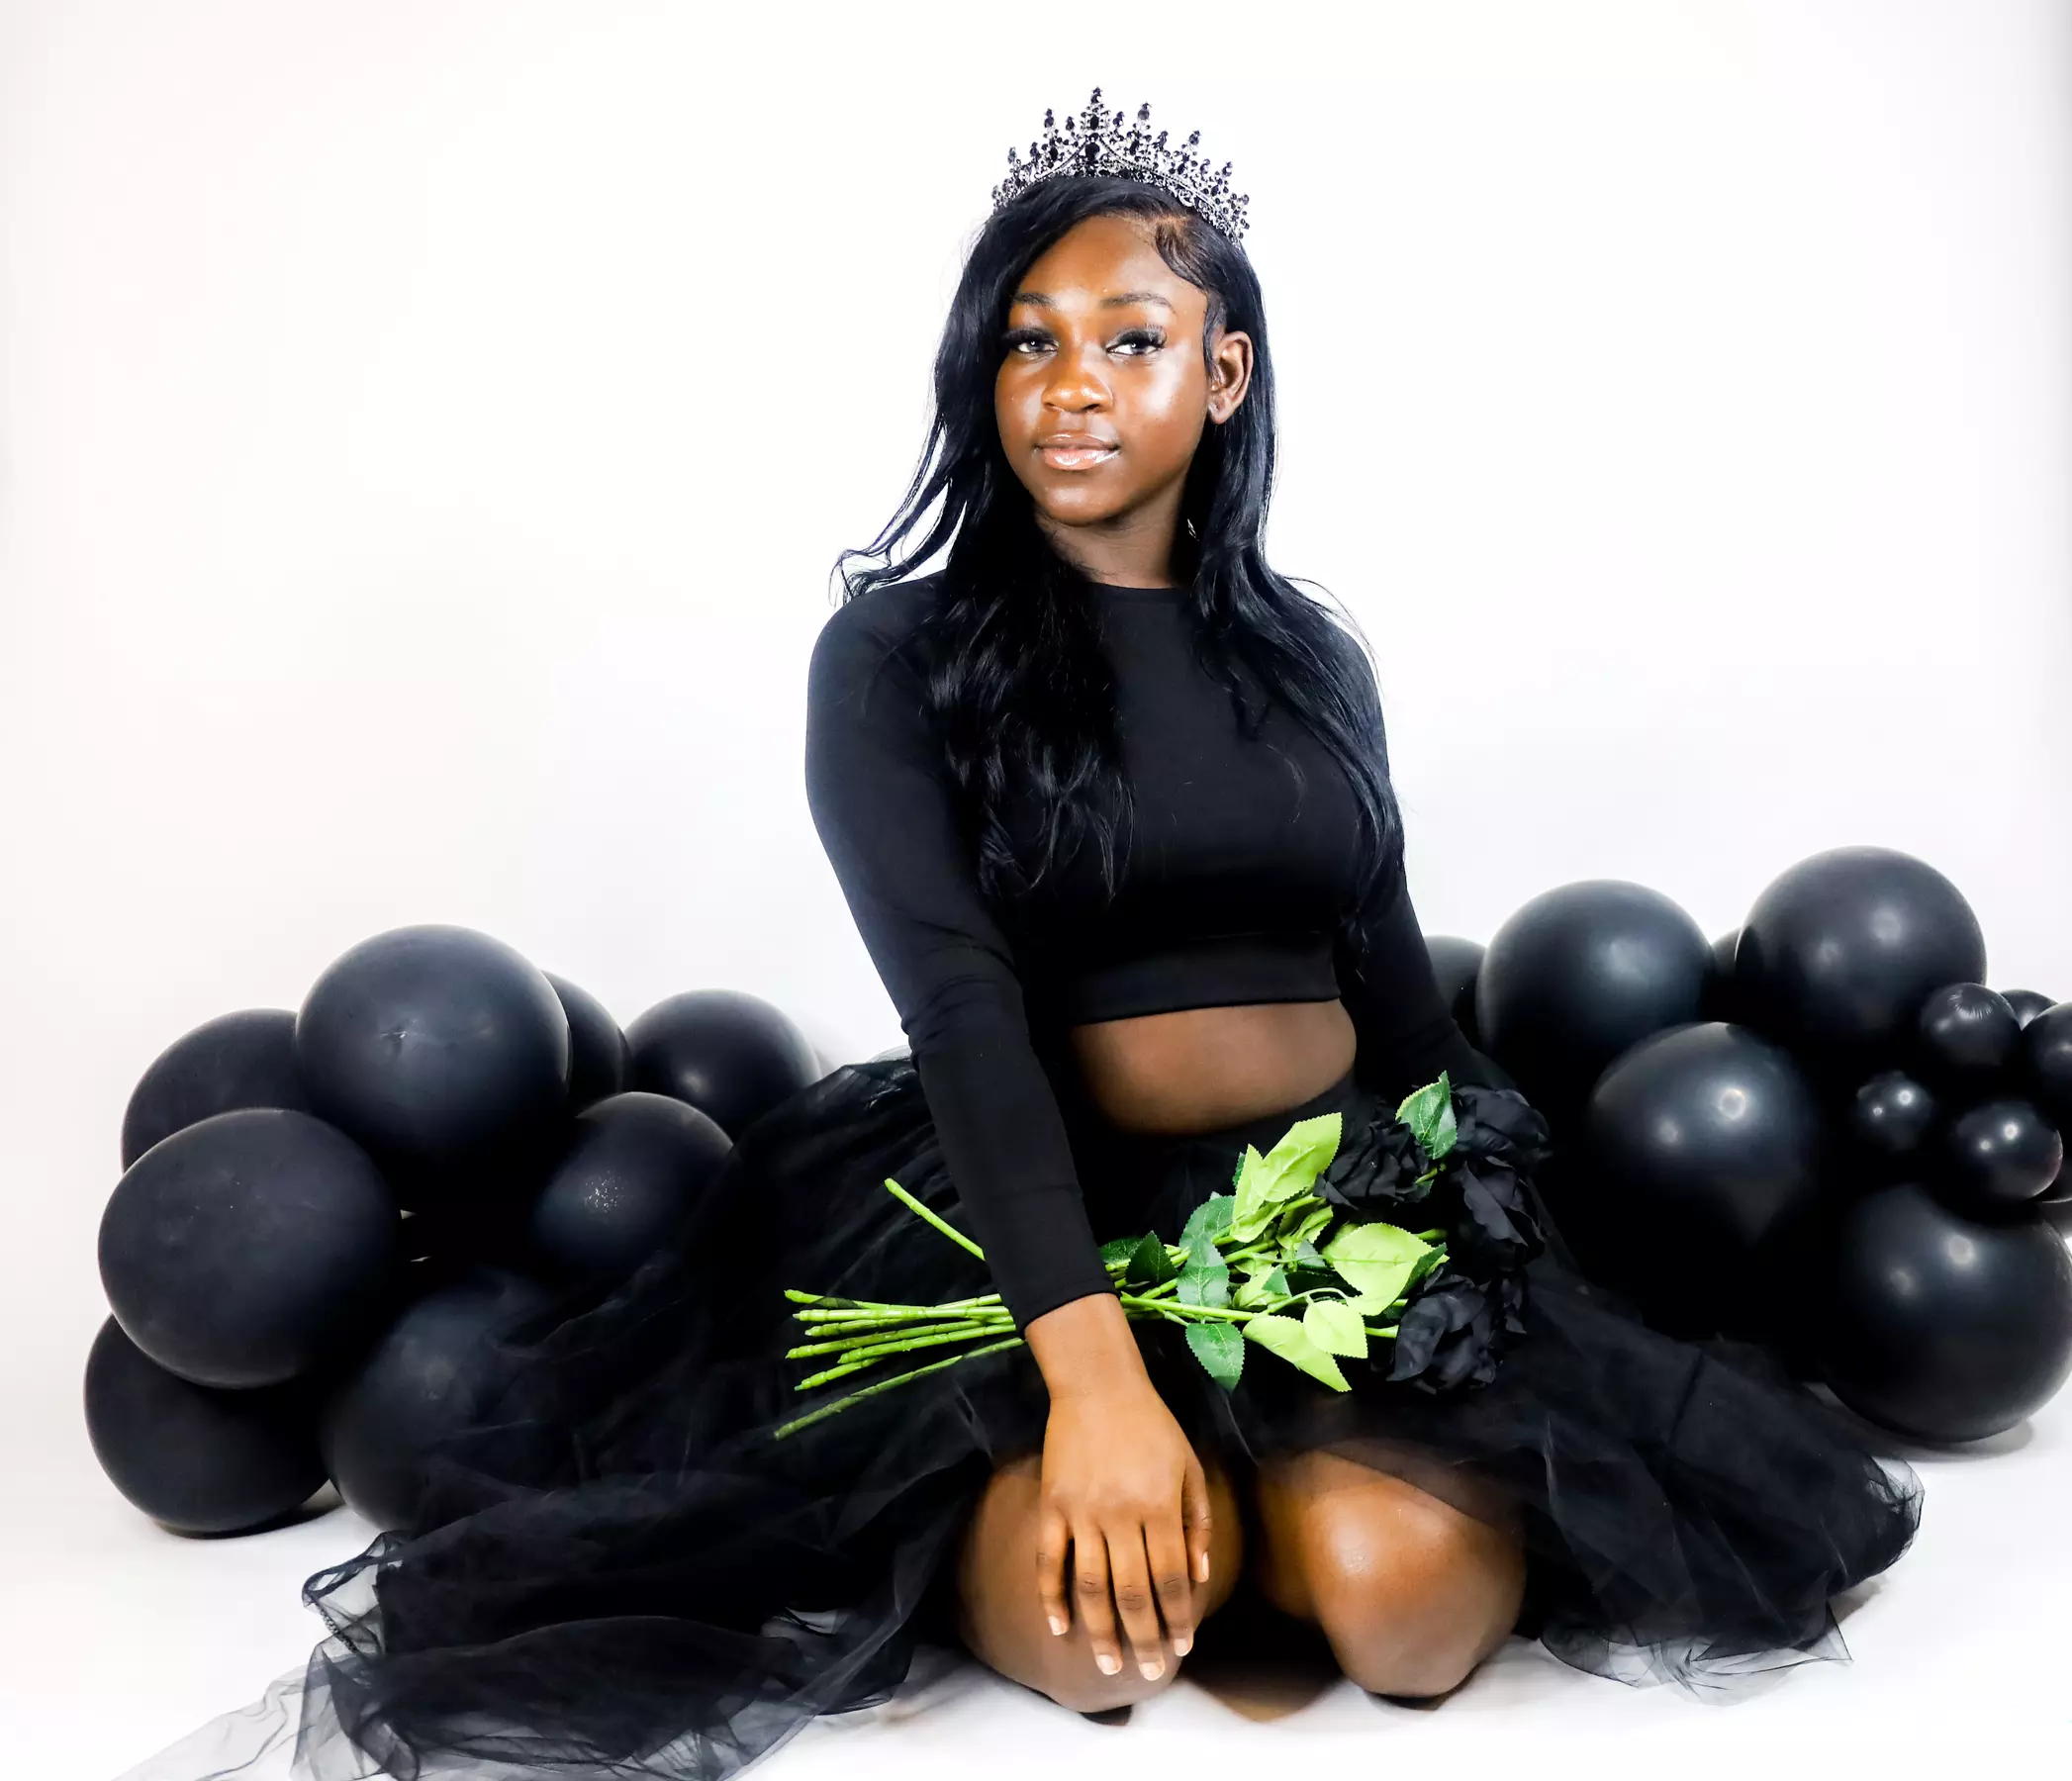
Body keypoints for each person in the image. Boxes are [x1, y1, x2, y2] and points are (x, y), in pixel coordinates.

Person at [122, 91, 1923, 1781]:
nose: (1070, 385)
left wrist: (1515, 1250)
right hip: (1027, 1218)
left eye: (1129, 340)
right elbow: (963, 1011)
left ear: (1222, 373)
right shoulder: (900, 658)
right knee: (1111, 1642)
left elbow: (1392, 1001)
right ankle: (1168, 1503)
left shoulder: (1310, 657)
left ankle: (1273, 1505)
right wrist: (1091, 1375)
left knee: (1409, 1617)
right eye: (1027, 341)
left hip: (1326, 1205)